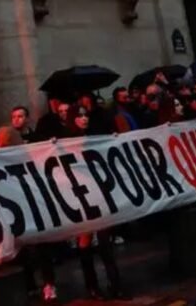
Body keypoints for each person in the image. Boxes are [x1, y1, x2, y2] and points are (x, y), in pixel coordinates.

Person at [64, 105, 127, 300]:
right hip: (81, 195)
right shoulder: (66, 141)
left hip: (98, 190)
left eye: (86, 115)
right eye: (80, 115)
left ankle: (114, 284)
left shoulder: (93, 137)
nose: (84, 119)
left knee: (104, 237)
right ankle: (92, 286)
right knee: (85, 239)